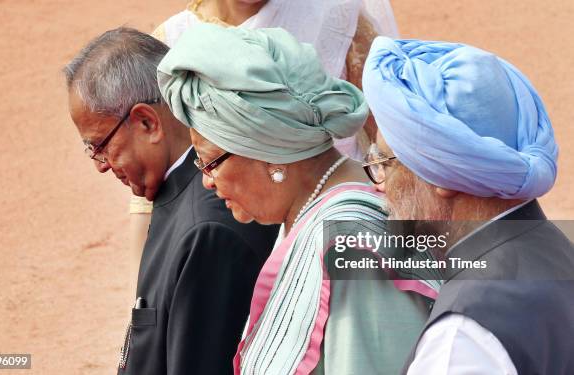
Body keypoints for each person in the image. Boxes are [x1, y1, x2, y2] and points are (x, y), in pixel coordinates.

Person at [158, 23, 438, 374]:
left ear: (270, 151)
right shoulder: (308, 213)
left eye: (211, 162)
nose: (206, 181)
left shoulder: (349, 244)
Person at [129, 0, 401, 293]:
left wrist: (408, 245)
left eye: (210, 163)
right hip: (230, 259)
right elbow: (156, 190)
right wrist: (144, 302)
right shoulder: (171, 42)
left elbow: (390, 138)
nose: (206, 179)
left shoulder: (337, 11)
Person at [63, 27, 278, 374]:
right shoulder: (177, 190)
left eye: (101, 145)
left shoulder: (207, 231)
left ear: (147, 122)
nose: (101, 165)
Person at [362, 37, 574, 374]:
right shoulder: (559, 252)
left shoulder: (463, 338)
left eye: (385, 162)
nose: (379, 184)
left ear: (442, 179)